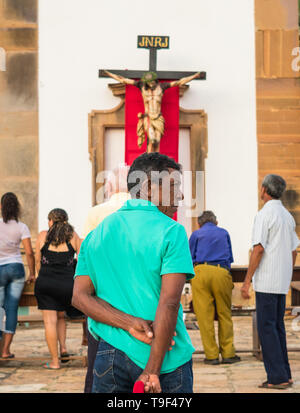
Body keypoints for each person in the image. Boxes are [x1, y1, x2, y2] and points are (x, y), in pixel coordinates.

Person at [72, 152, 195, 393]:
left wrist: (128, 323)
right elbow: (169, 303)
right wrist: (152, 370)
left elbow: (80, 296)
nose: (180, 195)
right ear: (148, 188)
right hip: (166, 361)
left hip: (110, 353)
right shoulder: (172, 231)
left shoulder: (97, 234)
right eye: (174, 186)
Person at [241, 174, 300, 390]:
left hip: (266, 281)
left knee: (267, 329)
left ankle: (277, 377)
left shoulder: (264, 215)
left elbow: (258, 249)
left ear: (265, 189)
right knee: (277, 327)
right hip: (281, 281)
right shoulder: (287, 216)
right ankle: (285, 373)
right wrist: (286, 272)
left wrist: (247, 281)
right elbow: (293, 250)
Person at [82, 165, 130, 393]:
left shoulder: (96, 213)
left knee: (96, 354)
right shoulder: (145, 212)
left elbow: (85, 253)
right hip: (135, 292)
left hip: (102, 291)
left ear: (109, 187)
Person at [104, 70, 201, 152]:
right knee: (152, 140)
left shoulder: (162, 87)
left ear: (155, 80)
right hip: (148, 117)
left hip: (158, 117)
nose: (151, 84)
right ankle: (149, 160)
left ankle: (156, 162)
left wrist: (195, 76)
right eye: (149, 82)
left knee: (157, 141)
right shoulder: (141, 86)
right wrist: (109, 74)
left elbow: (179, 82)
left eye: (152, 81)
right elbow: (123, 80)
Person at [189, 211, 240, 365]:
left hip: (200, 272)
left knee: (204, 317)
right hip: (221, 271)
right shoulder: (224, 233)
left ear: (199, 223)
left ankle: (211, 356)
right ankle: (228, 353)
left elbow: (189, 258)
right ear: (216, 222)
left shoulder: (196, 235)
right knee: (225, 313)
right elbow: (229, 257)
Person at [34, 208, 82, 369]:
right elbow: (83, 260)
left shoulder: (42, 236)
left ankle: (55, 362)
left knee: (50, 322)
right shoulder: (73, 236)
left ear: (51, 221)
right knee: (61, 317)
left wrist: (40, 275)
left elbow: (37, 261)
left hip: (46, 283)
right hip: (67, 285)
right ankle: (63, 348)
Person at [0, 192, 35, 358]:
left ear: (1, 207)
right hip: (16, 268)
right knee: (12, 308)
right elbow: (29, 253)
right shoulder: (22, 227)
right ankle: (6, 350)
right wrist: (33, 273)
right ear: (17, 208)